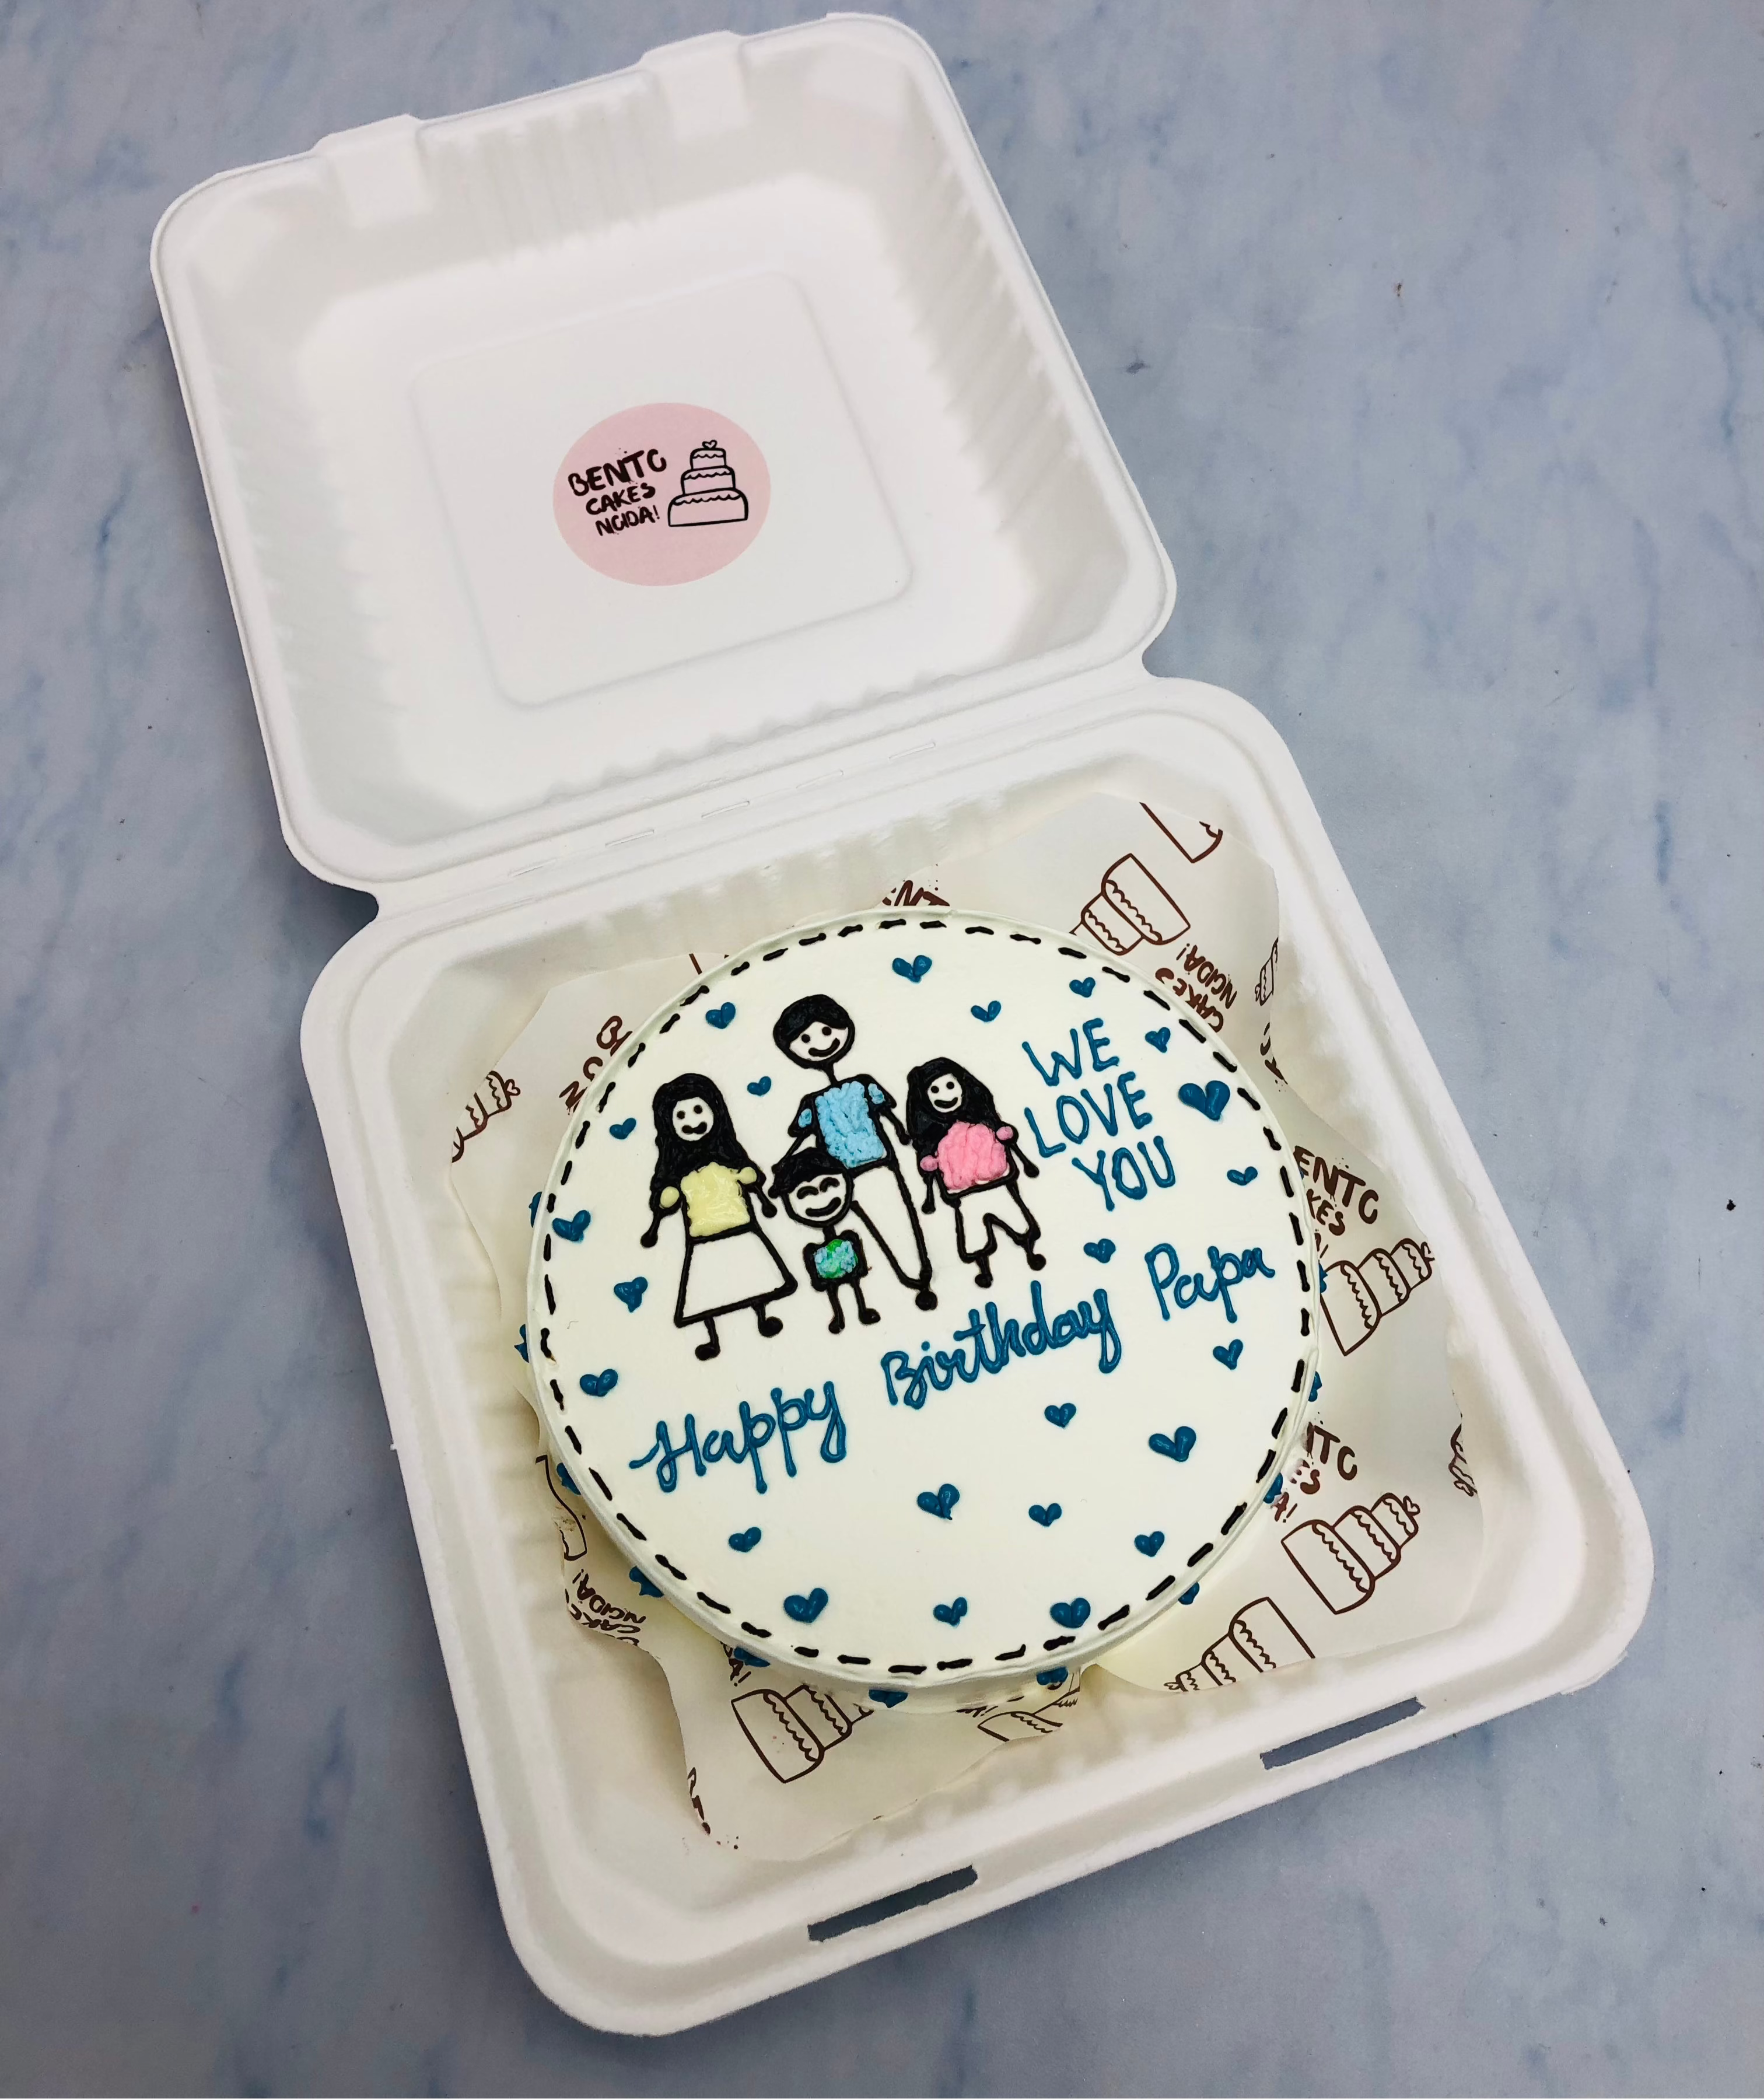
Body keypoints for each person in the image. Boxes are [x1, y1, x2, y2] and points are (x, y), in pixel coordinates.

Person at [773, 993, 937, 1310]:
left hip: (879, 1163)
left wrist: (902, 1132)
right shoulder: (813, 1102)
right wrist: (783, 1162)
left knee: (899, 1220)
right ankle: (890, 1288)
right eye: (806, 1038)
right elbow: (803, 1135)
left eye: (826, 1031)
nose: (819, 1043)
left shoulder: (863, 1084)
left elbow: (885, 1111)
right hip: (840, 1178)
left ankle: (918, 1275)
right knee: (863, 1233)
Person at [640, 1072, 796, 1359]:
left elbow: (749, 1176)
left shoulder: (727, 1155)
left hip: (740, 1227)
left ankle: (762, 1316)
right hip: (704, 1237)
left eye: (698, 1110)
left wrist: (750, 1177)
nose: (692, 1120)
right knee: (707, 1289)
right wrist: (666, 1197)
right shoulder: (679, 1171)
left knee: (755, 1275)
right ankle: (713, 1338)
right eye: (682, 1115)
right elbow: (665, 1200)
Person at [904, 1056, 1044, 1292]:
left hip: (997, 1182)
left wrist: (1003, 1133)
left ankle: (1030, 1250)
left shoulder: (981, 1122)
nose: (945, 1094)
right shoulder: (939, 1137)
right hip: (965, 1193)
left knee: (1016, 1220)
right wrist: (929, 1162)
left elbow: (1001, 1133)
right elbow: (929, 1158)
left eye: (950, 1085)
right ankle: (984, 1270)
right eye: (935, 1089)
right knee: (975, 1235)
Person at [770, 1146, 883, 1336]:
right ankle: (839, 1316)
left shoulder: (849, 1238)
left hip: (850, 1270)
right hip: (828, 1276)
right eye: (806, 1194)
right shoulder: (814, 1250)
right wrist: (818, 1280)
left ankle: (862, 1309)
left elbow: (859, 1260)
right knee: (834, 1292)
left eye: (829, 1186)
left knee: (855, 1286)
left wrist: (861, 1268)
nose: (821, 1199)